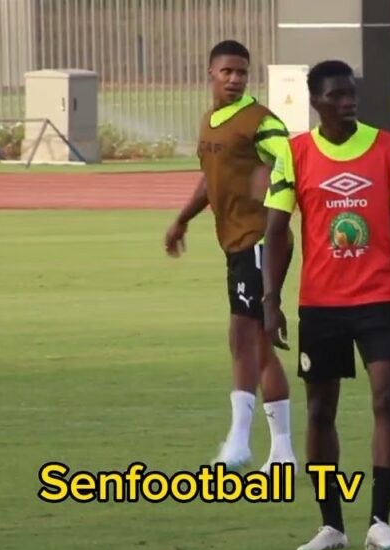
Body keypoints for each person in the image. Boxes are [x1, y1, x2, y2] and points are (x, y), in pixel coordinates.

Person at [261, 59, 390, 550]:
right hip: (321, 302)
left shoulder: (388, 148)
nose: (347, 101)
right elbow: (276, 232)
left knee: (385, 398)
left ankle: (381, 523)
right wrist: (272, 300)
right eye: (336, 95)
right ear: (316, 102)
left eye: (351, 92)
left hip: (378, 297)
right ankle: (332, 526)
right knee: (319, 410)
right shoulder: (295, 154)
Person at [163, 40, 298, 474]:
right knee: (247, 341)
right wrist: (182, 219)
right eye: (228, 72)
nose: (236, 79)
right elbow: (210, 180)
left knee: (249, 340)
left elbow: (293, 160)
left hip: (260, 241)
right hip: (238, 243)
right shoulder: (210, 122)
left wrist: (272, 186)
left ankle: (246, 445)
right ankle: (278, 451)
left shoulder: (259, 120)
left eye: (241, 72)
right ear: (211, 73)